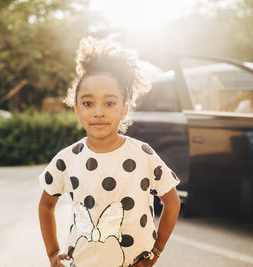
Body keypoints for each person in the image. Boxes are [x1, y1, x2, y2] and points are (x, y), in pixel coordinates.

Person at [38, 36, 181, 267]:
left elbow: (172, 202)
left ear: (124, 110)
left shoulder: (143, 154)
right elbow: (46, 205)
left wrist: (156, 252)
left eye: (109, 103)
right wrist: (53, 252)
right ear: (76, 110)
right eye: (88, 103)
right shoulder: (66, 160)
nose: (98, 112)